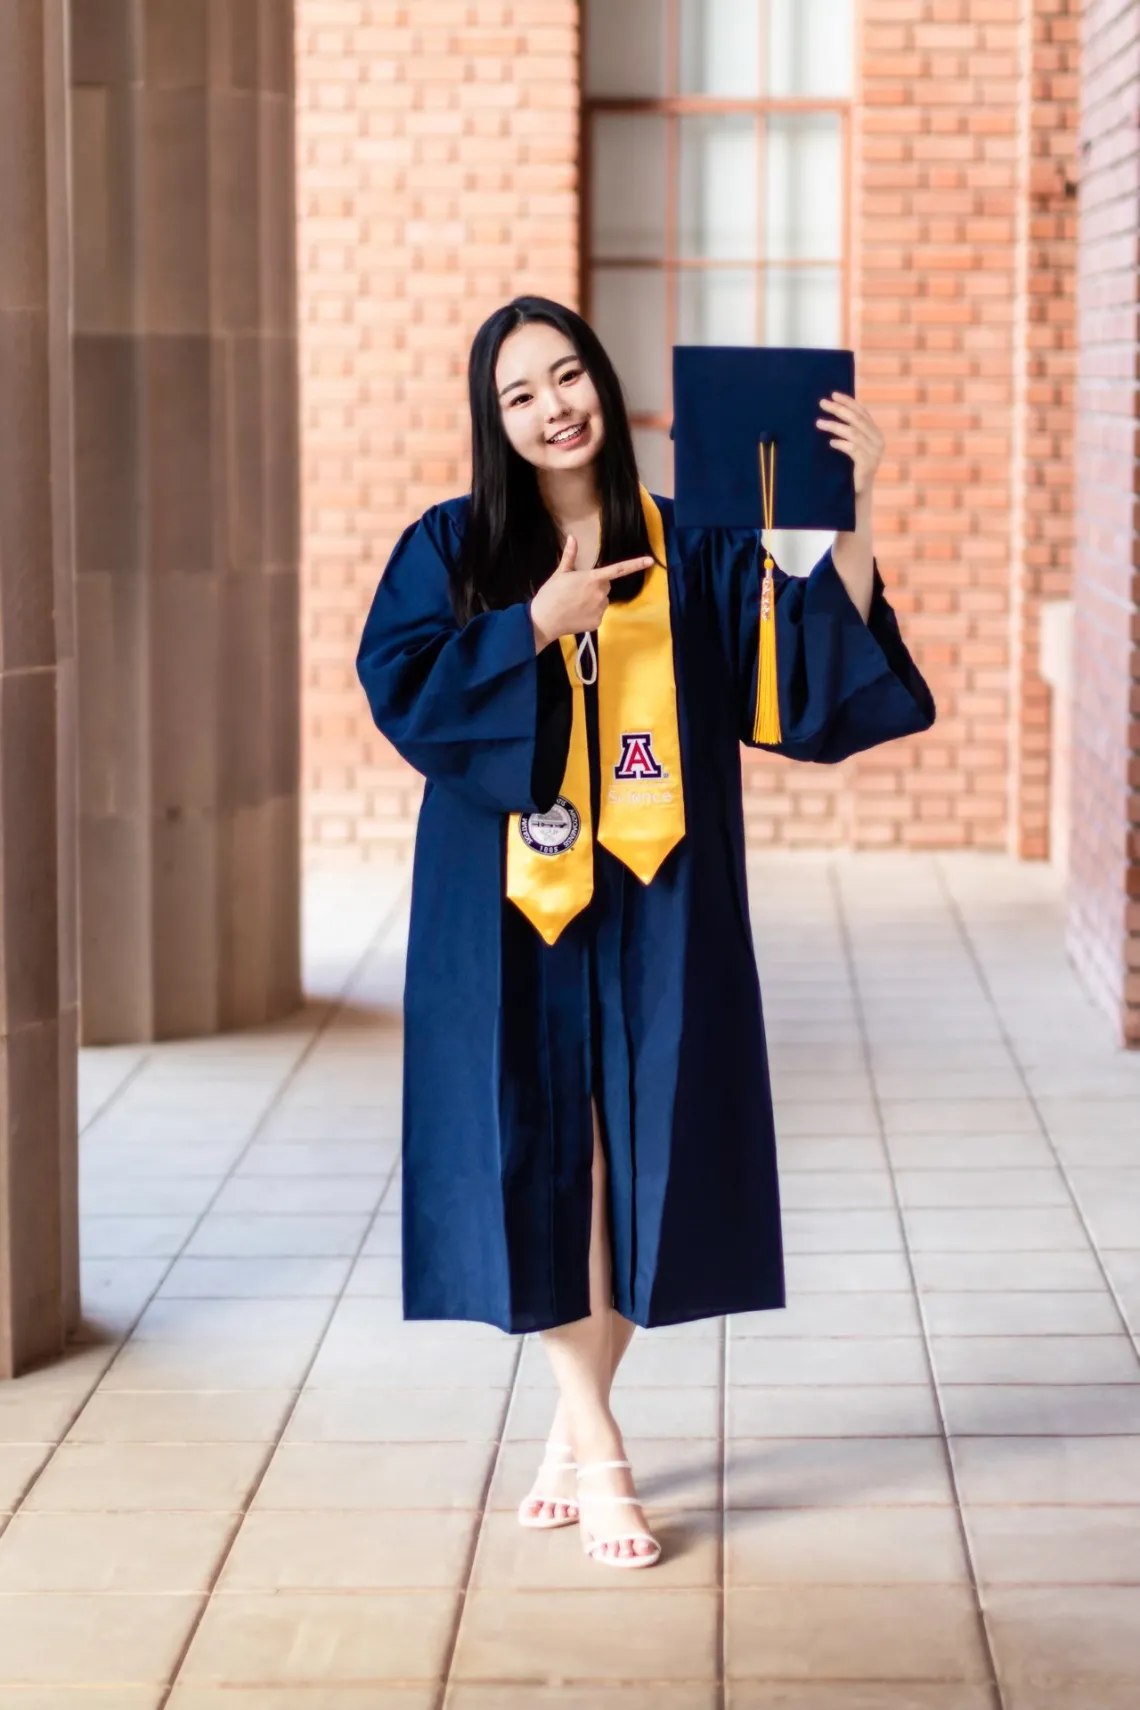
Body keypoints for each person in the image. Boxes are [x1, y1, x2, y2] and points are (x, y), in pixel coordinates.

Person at [356, 295, 935, 1571]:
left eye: (569, 377)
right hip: (508, 906)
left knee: (633, 1164)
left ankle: (572, 1432)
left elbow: (803, 674)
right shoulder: (452, 549)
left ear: (607, 390)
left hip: (660, 896)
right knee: (542, 1164)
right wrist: (535, 625)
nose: (553, 407)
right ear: (493, 421)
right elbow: (402, 690)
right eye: (521, 394)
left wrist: (851, 517)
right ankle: (601, 1449)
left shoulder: (698, 548)